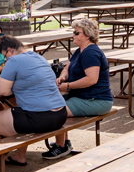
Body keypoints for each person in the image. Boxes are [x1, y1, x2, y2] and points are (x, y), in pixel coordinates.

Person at [0, 36, 66, 172]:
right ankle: (19, 156)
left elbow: (3, 91)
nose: (5, 60)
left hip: (40, 117)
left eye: (4, 56)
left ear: (10, 51)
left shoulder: (14, 60)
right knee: (18, 112)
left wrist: (14, 86)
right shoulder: (38, 57)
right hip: (59, 114)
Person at [45, 16, 113, 160]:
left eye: (77, 32)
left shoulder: (90, 52)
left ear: (87, 35)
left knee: (56, 110)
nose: (73, 35)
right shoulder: (80, 51)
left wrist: (68, 86)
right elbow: (67, 68)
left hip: (96, 99)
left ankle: (61, 146)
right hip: (83, 96)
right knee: (51, 103)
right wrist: (62, 77)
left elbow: (92, 79)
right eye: (73, 32)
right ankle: (64, 143)